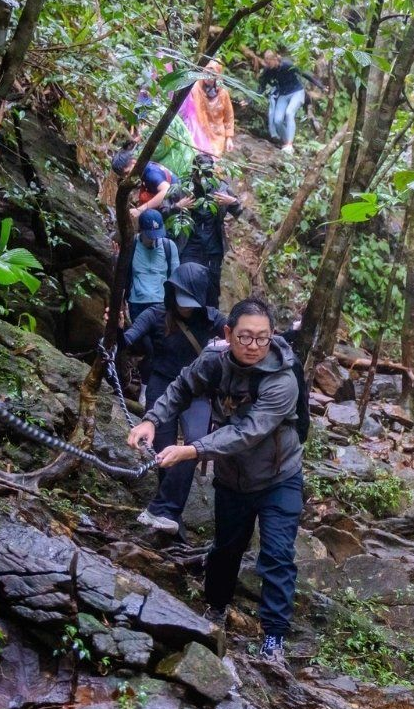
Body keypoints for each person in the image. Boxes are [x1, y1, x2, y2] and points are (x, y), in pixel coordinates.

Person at [128, 298, 303, 659]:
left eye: (262, 338)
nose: (254, 346)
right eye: (245, 337)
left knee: (278, 554)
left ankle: (274, 638)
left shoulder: (283, 380)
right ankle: (216, 609)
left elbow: (248, 432)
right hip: (232, 478)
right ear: (228, 333)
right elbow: (180, 387)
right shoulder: (214, 361)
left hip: (278, 477)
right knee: (226, 549)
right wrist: (151, 419)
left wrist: (191, 450)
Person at [122, 263, 224, 533]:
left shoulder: (214, 321)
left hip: (198, 390)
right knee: (163, 446)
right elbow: (129, 339)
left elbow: (243, 337)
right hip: (163, 384)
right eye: (181, 299)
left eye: (192, 302)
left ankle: (164, 510)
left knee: (194, 445)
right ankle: (168, 513)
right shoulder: (156, 314)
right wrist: (116, 328)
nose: (186, 307)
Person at [172, 153, 242, 308]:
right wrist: (177, 207)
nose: (203, 179)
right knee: (187, 287)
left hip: (213, 248)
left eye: (207, 174)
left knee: (212, 291)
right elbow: (163, 212)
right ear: (194, 172)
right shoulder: (183, 188)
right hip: (189, 247)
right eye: (200, 174)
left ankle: (210, 326)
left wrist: (234, 202)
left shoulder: (221, 188)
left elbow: (244, 216)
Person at [257, 48, 320, 151]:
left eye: (269, 62)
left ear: (275, 59)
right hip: (283, 94)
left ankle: (289, 144)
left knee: (289, 113)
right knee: (277, 121)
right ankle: (287, 144)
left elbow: (305, 74)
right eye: (266, 63)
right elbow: (261, 87)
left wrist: (321, 86)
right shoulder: (268, 70)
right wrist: (248, 99)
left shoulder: (287, 64)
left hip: (297, 92)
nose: (268, 65)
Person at [125, 209, 179, 321]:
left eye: (157, 234)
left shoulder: (169, 246)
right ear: (141, 230)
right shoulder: (131, 245)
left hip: (161, 303)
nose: (154, 238)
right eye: (150, 235)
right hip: (137, 303)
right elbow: (123, 274)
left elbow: (176, 278)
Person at [182, 60, 236, 158]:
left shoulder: (223, 93)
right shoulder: (195, 88)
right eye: (206, 73)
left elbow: (229, 116)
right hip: (198, 131)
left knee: (213, 161)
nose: (208, 77)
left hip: (216, 134)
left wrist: (229, 138)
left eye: (212, 74)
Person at [112, 150, 179, 218]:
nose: (126, 177)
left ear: (134, 162)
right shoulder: (144, 167)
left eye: (127, 173)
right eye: (123, 175)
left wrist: (140, 210)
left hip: (176, 201)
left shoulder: (151, 173)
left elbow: (166, 190)